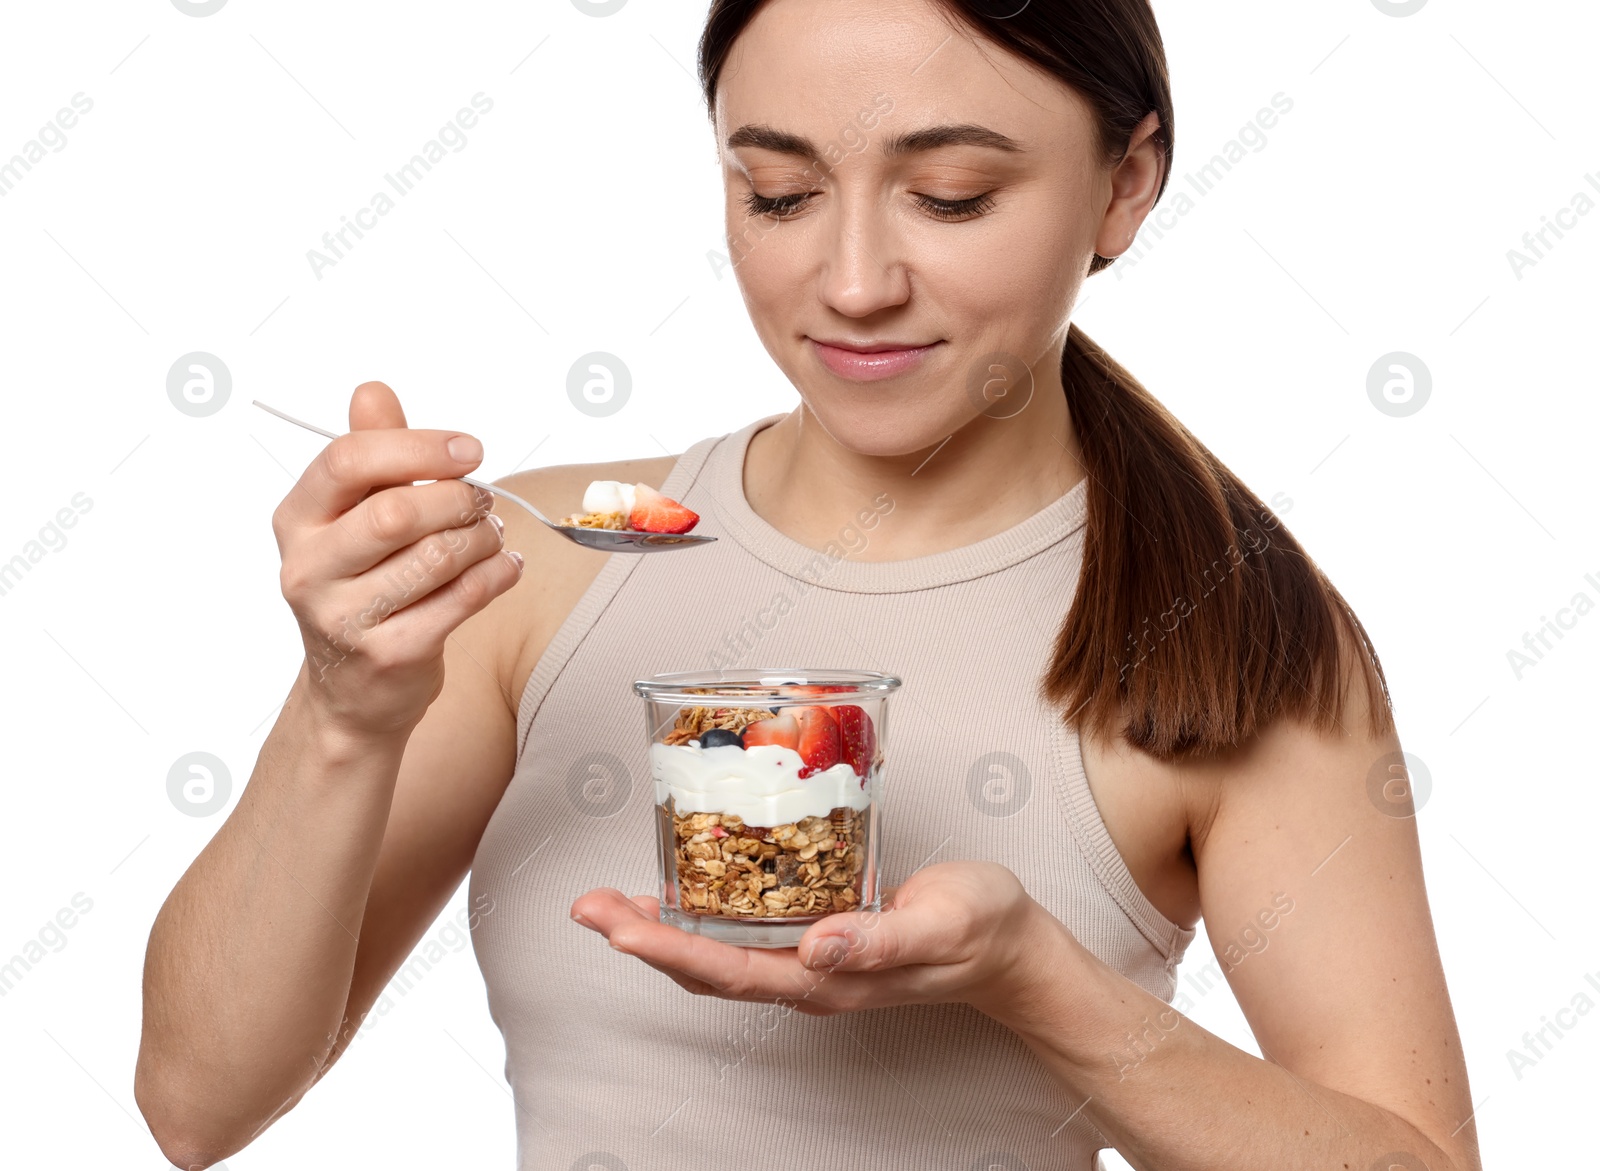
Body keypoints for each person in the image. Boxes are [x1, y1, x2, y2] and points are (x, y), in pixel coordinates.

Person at [134, 1, 1482, 1168]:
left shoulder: (1224, 636)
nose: (850, 284)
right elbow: (197, 1108)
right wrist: (343, 713)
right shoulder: (548, 559)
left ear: (1127, 181)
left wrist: (1043, 988)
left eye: (951, 195)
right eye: (777, 194)